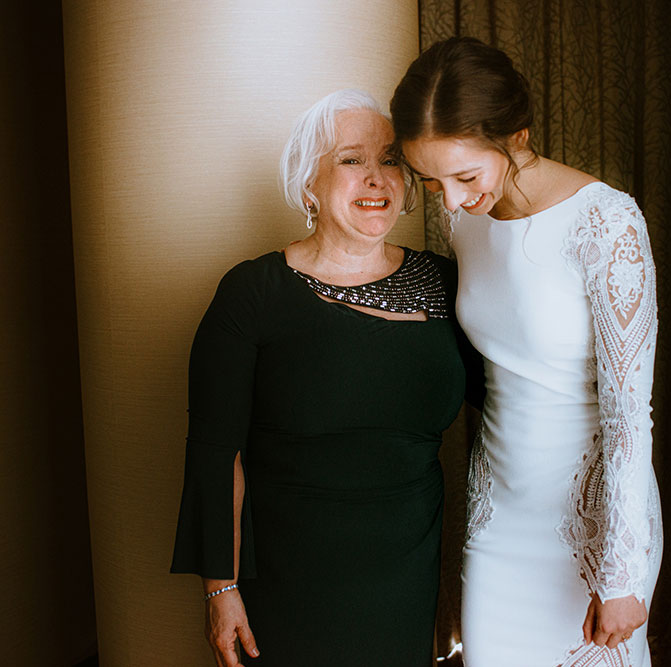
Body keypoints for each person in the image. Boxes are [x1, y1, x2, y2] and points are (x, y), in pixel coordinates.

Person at [170, 89, 470, 667]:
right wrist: (220, 588)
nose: (376, 178)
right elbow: (215, 452)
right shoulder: (252, 293)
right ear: (308, 185)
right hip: (290, 580)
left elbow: (512, 405)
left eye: (390, 160)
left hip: (410, 574)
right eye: (351, 160)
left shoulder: (447, 284)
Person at [390, 37, 663, 667]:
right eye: (433, 183)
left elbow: (629, 418)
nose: (452, 201)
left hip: (593, 525)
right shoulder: (467, 221)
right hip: (498, 515)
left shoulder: (608, 224)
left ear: (517, 136)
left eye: (465, 176)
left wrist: (622, 570)